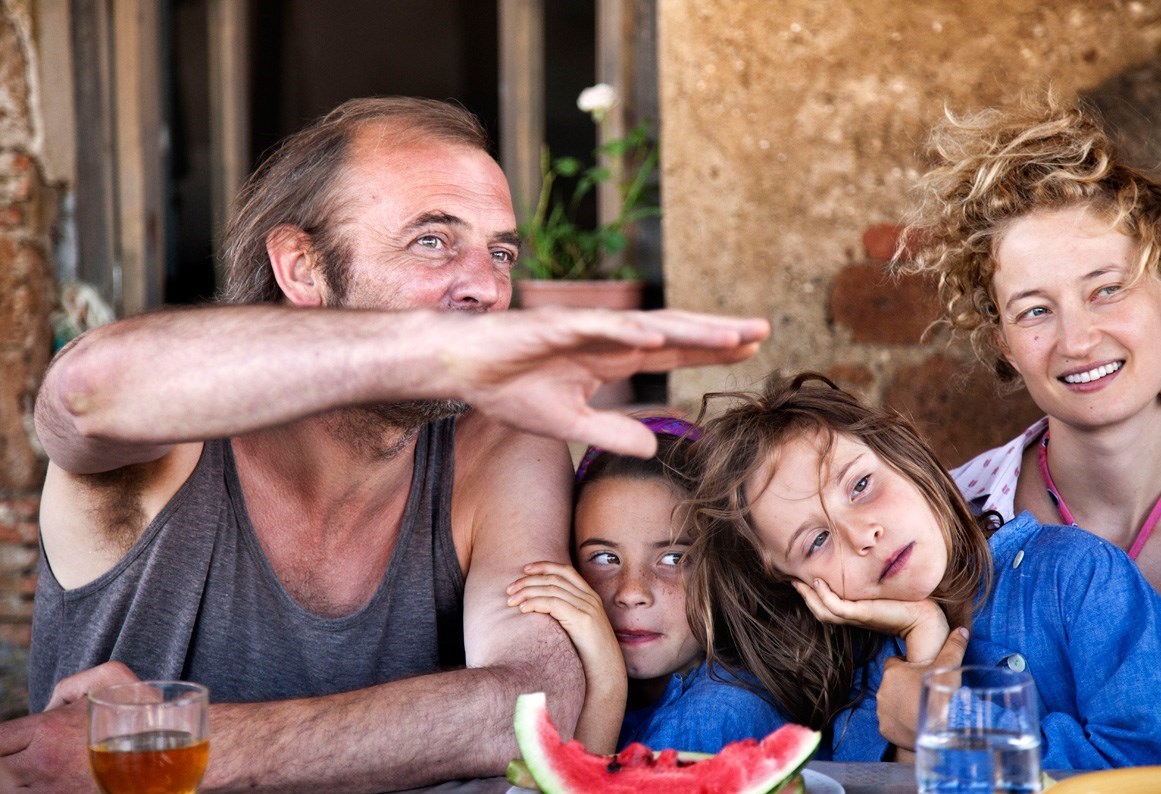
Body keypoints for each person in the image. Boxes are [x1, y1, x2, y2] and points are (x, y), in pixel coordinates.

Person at [0, 97, 770, 792]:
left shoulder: (493, 445)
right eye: (432, 241)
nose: (486, 287)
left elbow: (528, 707)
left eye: (501, 253)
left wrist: (169, 747)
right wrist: (432, 351)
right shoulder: (167, 442)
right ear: (302, 267)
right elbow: (85, 392)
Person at [683, 372, 1161, 768]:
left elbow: (1142, 762)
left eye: (861, 485)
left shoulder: (1078, 575)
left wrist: (949, 726)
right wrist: (924, 634)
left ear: (905, 459)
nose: (864, 535)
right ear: (798, 587)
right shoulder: (858, 682)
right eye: (817, 541)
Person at [894, 94, 1161, 591]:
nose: (1077, 341)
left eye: (1106, 290)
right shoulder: (950, 527)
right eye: (1035, 310)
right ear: (1005, 345)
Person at [506, 416, 785, 756]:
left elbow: (579, 781)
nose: (632, 593)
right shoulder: (569, 695)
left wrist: (607, 680)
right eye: (605, 558)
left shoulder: (715, 715)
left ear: (724, 568)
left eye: (673, 559)